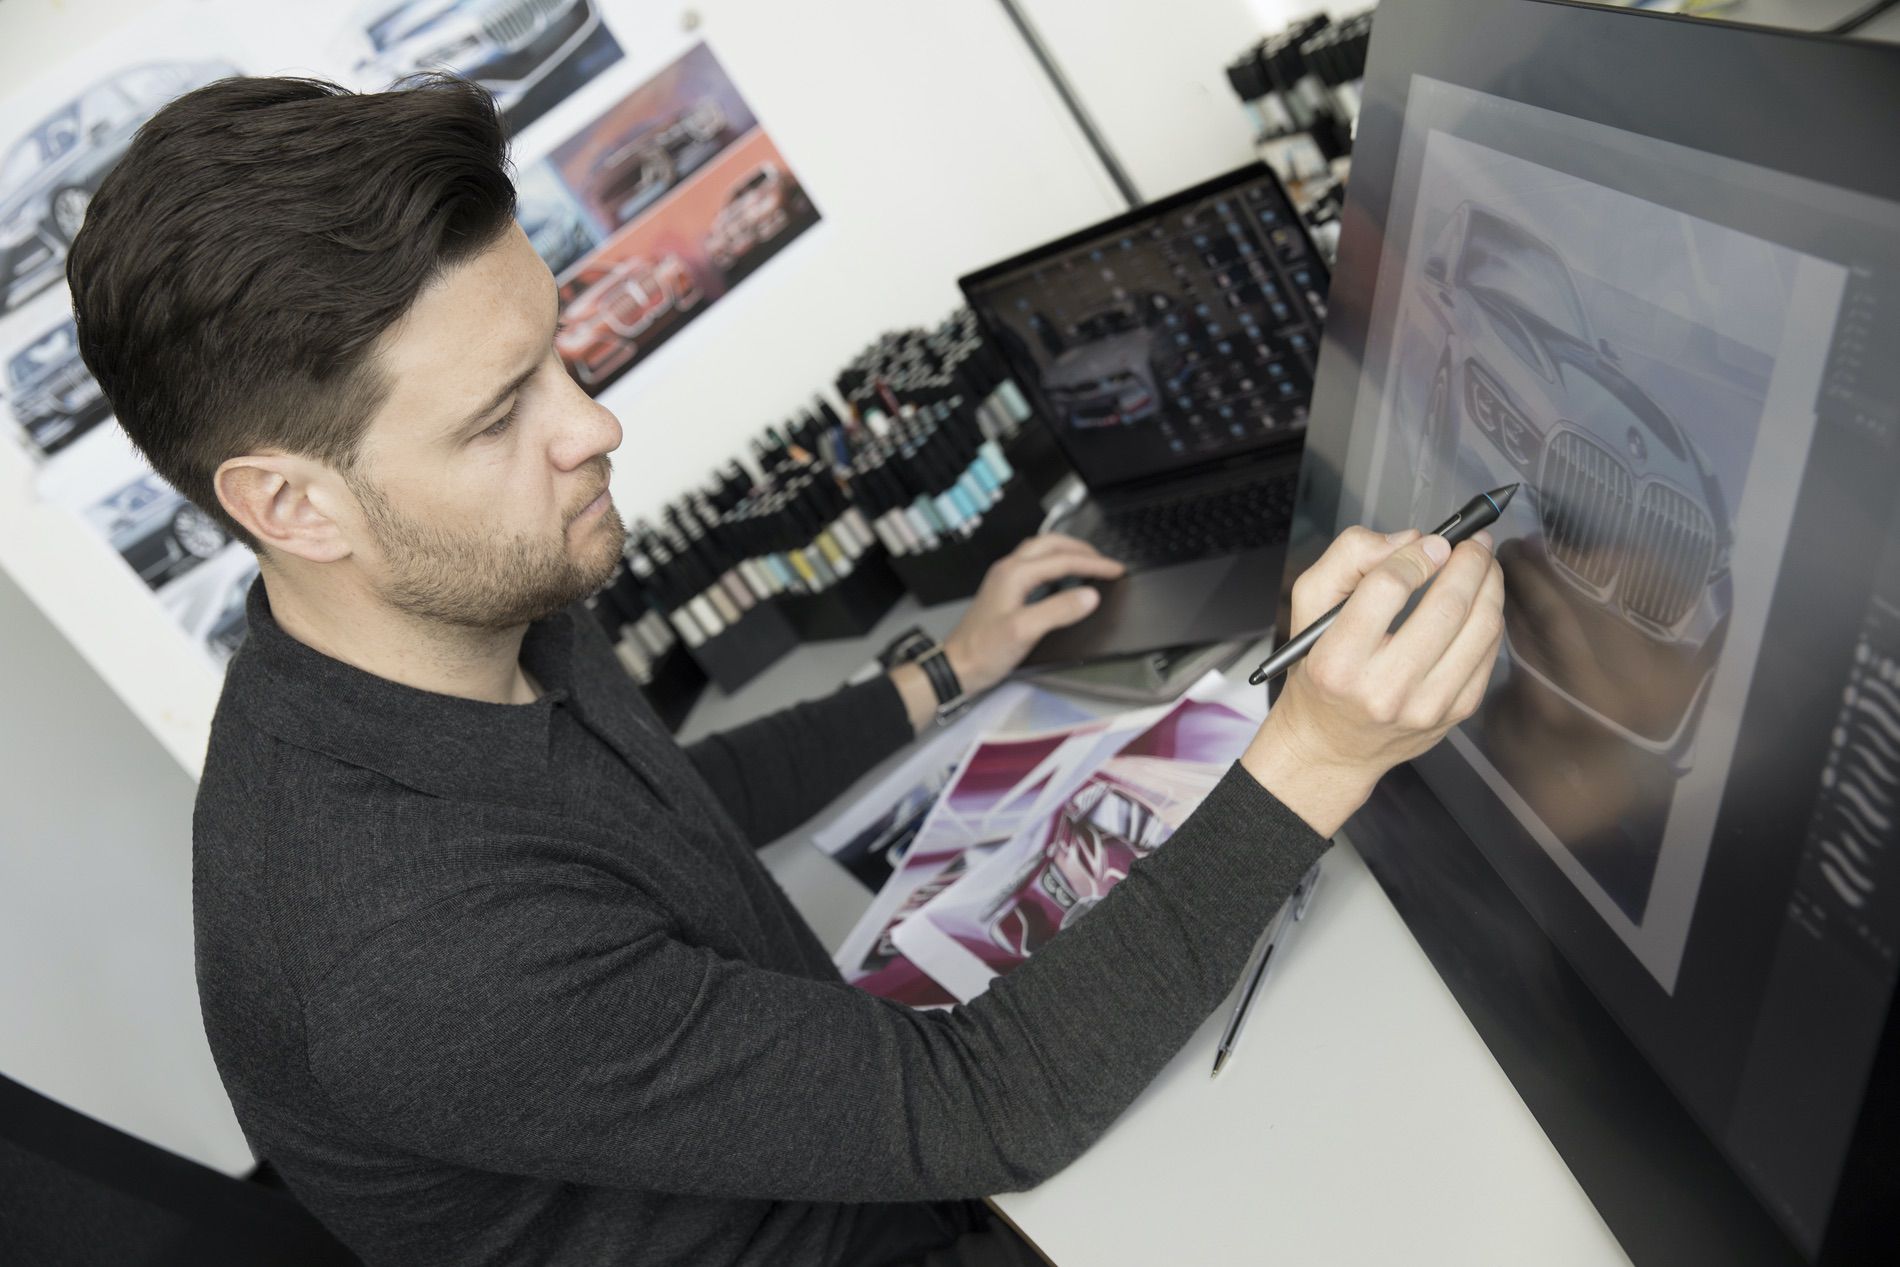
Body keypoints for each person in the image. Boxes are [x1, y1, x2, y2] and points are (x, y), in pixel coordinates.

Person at [66, 75, 1504, 1267]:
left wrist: (951, 669)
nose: (592, 428)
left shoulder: (466, 607)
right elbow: (984, 1108)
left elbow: (656, 801)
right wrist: (1316, 754)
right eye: (501, 414)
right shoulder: (401, 949)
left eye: (559, 352)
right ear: (291, 504)